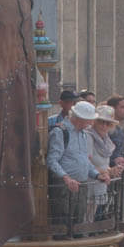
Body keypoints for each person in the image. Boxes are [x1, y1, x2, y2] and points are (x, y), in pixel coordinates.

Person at [47, 100, 110, 234]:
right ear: (79, 119)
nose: (91, 124)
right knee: (63, 225)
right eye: (89, 120)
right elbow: (52, 161)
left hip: (81, 186)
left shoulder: (82, 134)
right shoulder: (60, 132)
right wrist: (66, 178)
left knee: (78, 224)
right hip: (64, 188)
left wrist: (97, 175)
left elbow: (84, 161)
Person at [85, 104, 120, 222]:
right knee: (85, 220)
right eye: (101, 122)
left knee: (91, 219)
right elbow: (86, 162)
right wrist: (103, 172)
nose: (104, 126)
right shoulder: (88, 137)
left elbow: (103, 165)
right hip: (87, 185)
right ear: (94, 122)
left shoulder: (106, 140)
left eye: (108, 123)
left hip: (100, 186)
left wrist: (111, 171)